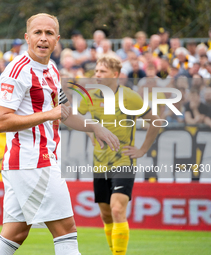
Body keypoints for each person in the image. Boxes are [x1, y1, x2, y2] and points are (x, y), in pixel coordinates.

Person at [0, 13, 119, 255]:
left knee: (15, 232)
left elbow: (64, 113)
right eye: (37, 33)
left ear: (57, 39)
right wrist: (49, 114)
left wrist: (95, 126)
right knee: (66, 231)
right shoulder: (17, 71)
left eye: (49, 33)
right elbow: (1, 121)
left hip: (29, 162)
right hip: (33, 162)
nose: (43, 38)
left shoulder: (52, 69)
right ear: (27, 37)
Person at [78, 56, 161, 255]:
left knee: (117, 209)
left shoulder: (130, 97)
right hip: (99, 163)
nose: (97, 75)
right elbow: (78, 118)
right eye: (96, 71)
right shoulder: (89, 97)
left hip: (123, 160)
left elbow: (156, 121)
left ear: (115, 75)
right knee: (106, 215)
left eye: (102, 71)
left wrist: (141, 150)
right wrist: (90, 132)